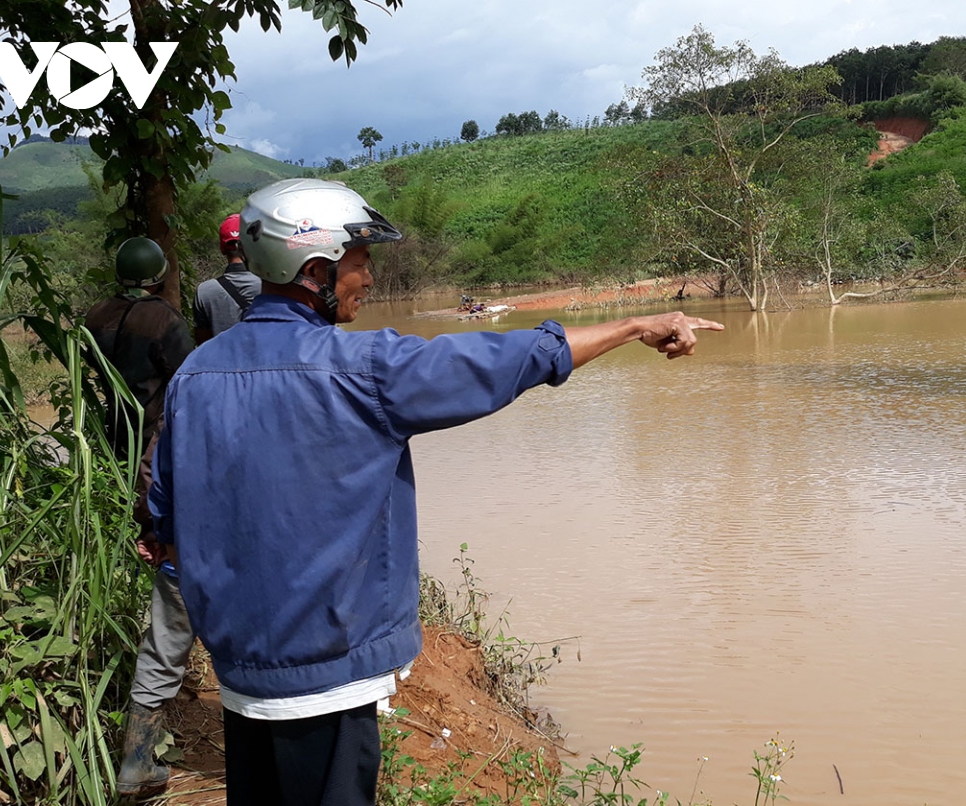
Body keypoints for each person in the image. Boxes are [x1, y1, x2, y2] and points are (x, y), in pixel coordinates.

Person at [147, 178, 723, 806]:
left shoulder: (194, 376)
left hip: (241, 677)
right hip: (328, 679)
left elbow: (163, 519)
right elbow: (500, 362)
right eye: (360, 264)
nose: (367, 281)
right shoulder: (362, 372)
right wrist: (636, 326)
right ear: (315, 271)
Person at [84, 237, 195, 796]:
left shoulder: (95, 316)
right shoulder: (164, 319)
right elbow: (191, 383)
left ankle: (135, 755)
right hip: (156, 441)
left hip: (108, 444)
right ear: (158, 273)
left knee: (163, 594)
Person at [192, 213, 261, 344]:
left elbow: (202, 345)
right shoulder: (271, 285)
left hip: (221, 363)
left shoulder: (205, 291)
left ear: (222, 249)